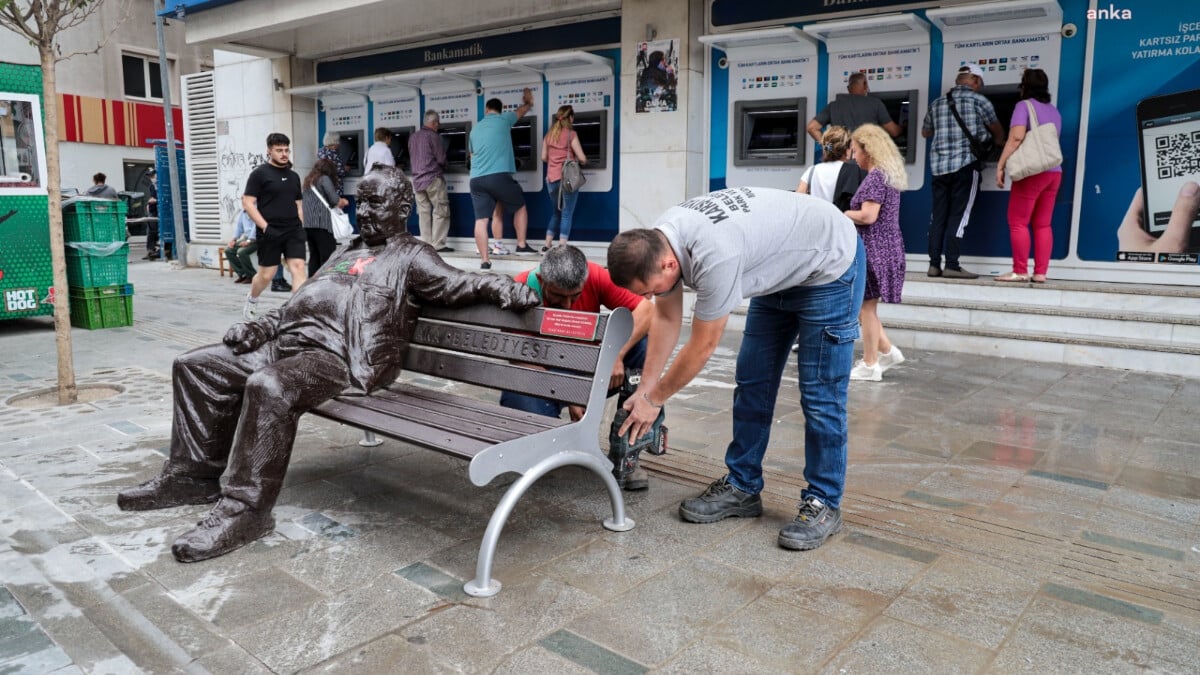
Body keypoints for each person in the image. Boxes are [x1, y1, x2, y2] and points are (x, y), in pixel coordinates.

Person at [115, 165, 540, 563]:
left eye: (376, 203)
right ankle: (190, 477)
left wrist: (505, 284)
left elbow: (458, 282)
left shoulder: (412, 256)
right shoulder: (346, 249)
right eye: (363, 201)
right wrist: (261, 327)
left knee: (270, 387)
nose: (365, 210)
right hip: (287, 344)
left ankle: (245, 509)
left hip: (336, 360)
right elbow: (298, 302)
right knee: (196, 365)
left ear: (403, 210)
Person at [607, 187, 865, 551]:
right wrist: (646, 391)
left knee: (821, 395)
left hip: (829, 267)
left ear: (668, 264)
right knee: (752, 382)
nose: (649, 298)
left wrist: (658, 398)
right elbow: (664, 318)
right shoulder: (659, 242)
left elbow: (703, 345)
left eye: (649, 290)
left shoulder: (714, 255)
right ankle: (743, 486)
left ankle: (824, 502)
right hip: (779, 269)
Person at [500, 245, 655, 490]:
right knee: (534, 452)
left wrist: (615, 352)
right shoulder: (521, 288)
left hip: (590, 366)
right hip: (542, 374)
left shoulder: (595, 275)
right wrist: (572, 393)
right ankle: (550, 437)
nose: (570, 305)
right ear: (542, 280)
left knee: (644, 348)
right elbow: (522, 361)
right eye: (559, 297)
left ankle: (627, 452)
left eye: (576, 295)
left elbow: (647, 311)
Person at [922, 64, 1005, 279]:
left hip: (939, 167)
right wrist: (997, 148)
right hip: (965, 164)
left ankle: (933, 265)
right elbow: (997, 130)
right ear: (976, 81)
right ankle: (952, 264)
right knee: (959, 215)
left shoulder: (938, 102)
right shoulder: (979, 100)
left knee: (938, 216)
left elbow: (925, 132)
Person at [843, 124, 908, 382]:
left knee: (865, 308)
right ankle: (887, 352)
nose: (853, 156)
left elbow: (868, 216)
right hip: (886, 247)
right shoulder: (888, 175)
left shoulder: (875, 177)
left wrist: (843, 214)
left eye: (856, 150)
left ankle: (871, 364)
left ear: (868, 150)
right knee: (865, 307)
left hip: (874, 249)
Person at [994, 68, 1063, 283]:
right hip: (1053, 172)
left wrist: (1001, 164)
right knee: (1043, 224)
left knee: (1018, 222)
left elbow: (1016, 138)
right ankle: (1040, 273)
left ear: (1024, 86)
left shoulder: (1023, 106)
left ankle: (1020, 271)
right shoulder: (1054, 110)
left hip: (1032, 173)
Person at [242, 133, 308, 320]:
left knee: (298, 267)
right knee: (266, 274)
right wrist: (265, 227)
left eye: (286, 150)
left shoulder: (294, 176)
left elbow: (298, 204)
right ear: (269, 151)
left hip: (293, 229)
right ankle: (252, 299)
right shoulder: (260, 174)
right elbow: (247, 203)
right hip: (270, 230)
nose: (284, 154)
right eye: (279, 150)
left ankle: (297, 313)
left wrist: (300, 224)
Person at [470, 89, 538, 268]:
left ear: (486, 110)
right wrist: (529, 103)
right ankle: (521, 245)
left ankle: (485, 261)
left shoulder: (475, 128)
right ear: (499, 110)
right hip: (498, 176)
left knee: (481, 220)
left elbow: (471, 155)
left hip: (476, 179)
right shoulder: (504, 119)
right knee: (520, 206)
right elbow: (521, 112)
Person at [541, 105, 588, 251]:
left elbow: (543, 157)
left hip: (551, 180)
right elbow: (582, 158)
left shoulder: (549, 136)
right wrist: (582, 161)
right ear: (571, 118)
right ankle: (562, 247)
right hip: (567, 179)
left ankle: (546, 245)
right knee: (567, 213)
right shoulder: (571, 134)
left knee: (556, 212)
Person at [806, 73, 903, 144]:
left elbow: (811, 128)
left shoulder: (834, 105)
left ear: (849, 88)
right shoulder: (875, 103)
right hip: (866, 160)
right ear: (865, 85)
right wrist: (904, 128)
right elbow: (893, 131)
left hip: (841, 161)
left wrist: (829, 148)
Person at [409, 110, 453, 252]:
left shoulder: (413, 137)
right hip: (433, 178)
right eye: (438, 124)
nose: (438, 126)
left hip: (417, 180)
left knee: (424, 213)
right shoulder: (434, 136)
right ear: (434, 123)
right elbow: (441, 159)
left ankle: (426, 245)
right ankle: (438, 245)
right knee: (441, 211)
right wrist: (447, 165)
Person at [796, 125, 864, 212]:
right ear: (847, 147)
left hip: (817, 220)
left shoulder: (812, 170)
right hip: (841, 221)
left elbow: (798, 197)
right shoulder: (854, 171)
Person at [301, 158, 347, 277]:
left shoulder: (308, 180)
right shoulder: (324, 179)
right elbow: (334, 200)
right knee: (327, 257)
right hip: (322, 224)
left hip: (309, 224)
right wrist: (343, 201)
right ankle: (325, 282)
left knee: (314, 256)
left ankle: (311, 284)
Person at [224, 210, 258, 284]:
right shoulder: (243, 213)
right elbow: (239, 227)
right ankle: (243, 274)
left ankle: (252, 275)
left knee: (241, 252)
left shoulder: (257, 211)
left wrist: (248, 241)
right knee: (229, 250)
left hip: (257, 239)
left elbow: (256, 228)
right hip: (246, 238)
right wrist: (234, 240)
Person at [317, 131, 347, 196]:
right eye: (338, 142)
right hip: (334, 188)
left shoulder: (321, 151)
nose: (339, 144)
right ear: (334, 142)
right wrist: (345, 169)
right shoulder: (332, 153)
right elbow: (337, 171)